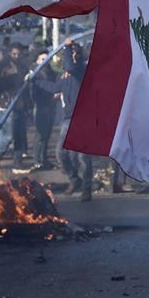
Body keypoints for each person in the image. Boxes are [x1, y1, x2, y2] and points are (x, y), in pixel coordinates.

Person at [33, 38, 92, 200]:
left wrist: (67, 47)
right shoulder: (66, 75)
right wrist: (36, 81)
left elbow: (70, 66)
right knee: (61, 154)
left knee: (82, 156)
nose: (72, 56)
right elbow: (55, 88)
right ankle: (75, 179)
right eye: (71, 53)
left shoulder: (82, 69)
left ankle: (86, 189)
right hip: (68, 119)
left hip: (82, 118)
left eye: (74, 54)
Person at [30, 49, 57, 170]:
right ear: (37, 60)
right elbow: (34, 93)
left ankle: (43, 159)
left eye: (47, 59)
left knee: (47, 134)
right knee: (40, 134)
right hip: (41, 107)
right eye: (42, 59)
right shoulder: (36, 73)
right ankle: (37, 160)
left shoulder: (50, 72)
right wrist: (42, 104)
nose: (45, 61)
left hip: (51, 106)